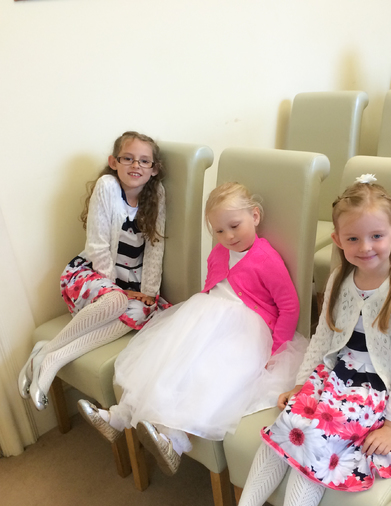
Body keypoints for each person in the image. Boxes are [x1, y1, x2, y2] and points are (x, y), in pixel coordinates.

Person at [211, 175, 391, 506]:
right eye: (353, 239)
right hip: (337, 373)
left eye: (376, 236)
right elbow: (323, 336)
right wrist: (302, 384)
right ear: (338, 240)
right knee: (287, 424)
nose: (365, 247)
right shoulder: (340, 279)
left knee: (315, 436)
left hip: (379, 386)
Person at [79, 182, 306, 476]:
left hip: (247, 329)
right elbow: (211, 288)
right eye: (219, 231)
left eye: (234, 226)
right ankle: (120, 416)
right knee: (169, 359)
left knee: (207, 375)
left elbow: (289, 306)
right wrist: (197, 325)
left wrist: (276, 348)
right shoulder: (219, 253)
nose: (228, 236)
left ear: (255, 216)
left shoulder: (266, 258)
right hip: (206, 317)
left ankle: (175, 439)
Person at [18, 131, 169, 411]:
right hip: (93, 274)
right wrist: (114, 288)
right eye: (128, 158)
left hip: (132, 282)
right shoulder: (107, 186)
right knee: (115, 301)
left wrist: (148, 292)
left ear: (154, 169)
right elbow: (97, 245)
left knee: (144, 310)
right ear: (114, 162)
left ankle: (49, 355)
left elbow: (155, 247)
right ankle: (49, 356)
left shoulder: (156, 194)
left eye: (144, 161)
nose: (136, 165)